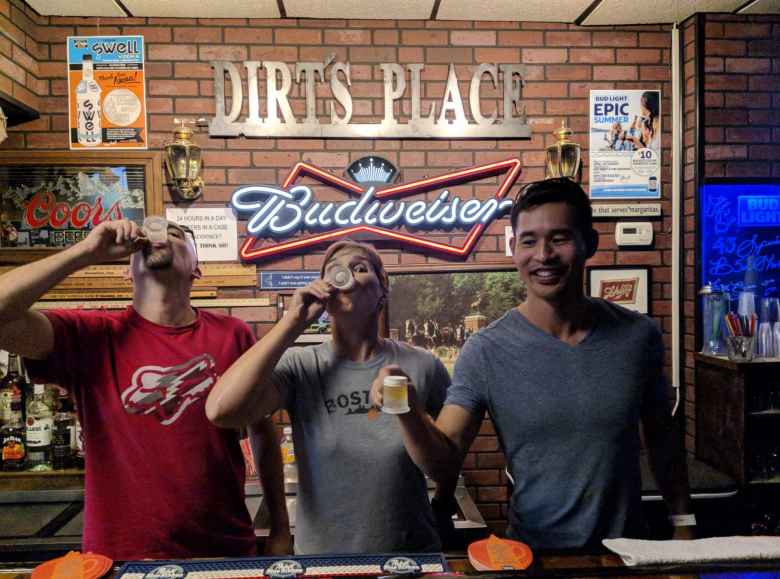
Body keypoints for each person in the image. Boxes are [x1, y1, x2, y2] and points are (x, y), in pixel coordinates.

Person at [370, 178, 694, 550]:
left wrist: (683, 523)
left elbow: (663, 439)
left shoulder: (638, 337)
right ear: (514, 248)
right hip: (533, 559)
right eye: (528, 241)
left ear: (590, 243)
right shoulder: (485, 350)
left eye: (559, 238)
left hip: (627, 556)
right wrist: (409, 409)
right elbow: (443, 462)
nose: (543, 255)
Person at [0, 218, 290, 560]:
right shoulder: (90, 335)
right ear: (128, 271)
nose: (161, 236)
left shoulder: (233, 334)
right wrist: (86, 252)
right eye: (152, 234)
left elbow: (263, 435)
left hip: (223, 550)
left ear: (196, 269)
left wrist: (280, 529)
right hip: (123, 557)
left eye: (177, 234)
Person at [207, 239, 455, 554]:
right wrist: (292, 322)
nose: (346, 276)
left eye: (360, 268)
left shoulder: (422, 364)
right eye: (335, 270)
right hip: (323, 562)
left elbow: (446, 468)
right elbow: (221, 411)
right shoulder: (301, 366)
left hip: (408, 558)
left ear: (383, 288)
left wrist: (406, 408)